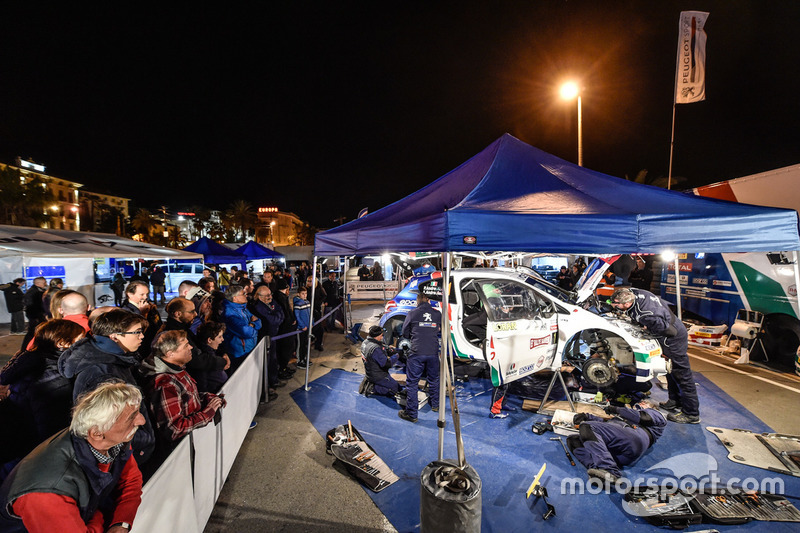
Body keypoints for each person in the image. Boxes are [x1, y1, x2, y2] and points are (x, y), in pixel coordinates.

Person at [0, 382, 145, 533]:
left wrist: (121, 523)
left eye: (138, 412)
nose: (141, 420)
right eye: (131, 417)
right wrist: (99, 515)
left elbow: (131, 481)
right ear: (97, 434)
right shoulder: (47, 494)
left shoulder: (112, 440)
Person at [58, 308, 156, 464]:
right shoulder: (103, 373)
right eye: (137, 332)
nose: (142, 336)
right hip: (125, 457)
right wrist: (143, 441)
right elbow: (109, 427)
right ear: (114, 336)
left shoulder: (116, 360)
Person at [609, 288, 700, 424]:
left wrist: (647, 327)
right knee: (669, 371)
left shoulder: (646, 314)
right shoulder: (635, 292)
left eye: (616, 304)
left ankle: (692, 413)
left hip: (673, 339)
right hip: (671, 326)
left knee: (682, 375)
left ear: (627, 304)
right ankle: (675, 401)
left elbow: (670, 331)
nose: (614, 305)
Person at [0, 320, 86, 453]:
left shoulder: (29, 362)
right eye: (80, 340)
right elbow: (51, 428)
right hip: (34, 450)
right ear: (62, 343)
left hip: (18, 443)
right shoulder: (52, 377)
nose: (85, 344)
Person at [140, 330, 224, 460]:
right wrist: (208, 413)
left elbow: (185, 398)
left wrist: (207, 398)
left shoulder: (176, 369)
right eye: (185, 345)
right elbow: (174, 429)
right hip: (179, 455)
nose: (191, 347)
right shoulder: (165, 384)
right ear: (170, 353)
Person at [568, 400, 667, 484]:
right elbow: (607, 426)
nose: (636, 405)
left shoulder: (656, 414)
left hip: (634, 438)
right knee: (573, 440)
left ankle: (609, 470)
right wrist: (586, 417)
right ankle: (599, 472)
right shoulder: (624, 418)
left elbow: (644, 417)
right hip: (621, 455)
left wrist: (616, 409)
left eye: (642, 403)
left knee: (587, 426)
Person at [398, 291, 440, 423]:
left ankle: (412, 414)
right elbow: (442, 330)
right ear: (428, 300)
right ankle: (435, 405)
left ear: (418, 300)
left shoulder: (412, 313)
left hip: (417, 352)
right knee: (434, 379)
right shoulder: (437, 314)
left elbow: (405, 333)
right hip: (433, 352)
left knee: (412, 382)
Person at [249, 285, 284, 392]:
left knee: (273, 360)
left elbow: (281, 312)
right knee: (267, 362)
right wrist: (277, 316)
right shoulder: (258, 307)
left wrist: (276, 316)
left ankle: (274, 380)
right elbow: (272, 320)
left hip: (273, 336)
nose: (270, 297)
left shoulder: (271, 302)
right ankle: (267, 385)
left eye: (270, 294)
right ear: (259, 297)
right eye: (267, 295)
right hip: (265, 338)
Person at [220, 285, 260, 374]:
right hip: (239, 353)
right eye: (243, 294)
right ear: (235, 298)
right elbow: (247, 333)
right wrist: (253, 325)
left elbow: (259, 322)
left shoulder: (243, 308)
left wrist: (252, 324)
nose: (246, 295)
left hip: (249, 349)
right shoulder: (230, 314)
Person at [122, 281, 162, 360]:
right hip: (141, 351)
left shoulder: (149, 306)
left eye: (147, 294)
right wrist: (142, 314)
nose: (145, 297)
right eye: (142, 294)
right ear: (129, 294)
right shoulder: (126, 311)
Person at [360, 326, 401, 397]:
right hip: (378, 375)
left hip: (370, 371)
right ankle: (372, 388)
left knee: (396, 386)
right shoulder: (375, 349)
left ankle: (370, 382)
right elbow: (387, 364)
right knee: (395, 389)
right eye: (382, 335)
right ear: (377, 336)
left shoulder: (365, 342)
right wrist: (397, 355)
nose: (382, 337)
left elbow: (381, 348)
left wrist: (389, 349)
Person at [194, 322, 231, 393]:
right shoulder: (206, 360)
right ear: (209, 340)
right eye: (219, 337)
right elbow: (202, 384)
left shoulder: (213, 352)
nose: (222, 339)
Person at [273, 278, 296, 379]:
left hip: (286, 326)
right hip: (285, 328)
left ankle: (284, 367)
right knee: (285, 348)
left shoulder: (282, 296)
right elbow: (286, 312)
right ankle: (282, 369)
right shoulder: (280, 297)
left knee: (287, 348)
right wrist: (291, 320)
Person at [21, 277, 48, 350]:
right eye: (44, 282)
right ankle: (26, 348)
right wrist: (37, 316)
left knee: (35, 332)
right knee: (32, 332)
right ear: (38, 283)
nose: (46, 284)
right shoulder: (33, 292)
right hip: (35, 316)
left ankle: (30, 347)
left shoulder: (37, 291)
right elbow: (31, 305)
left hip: (37, 315)